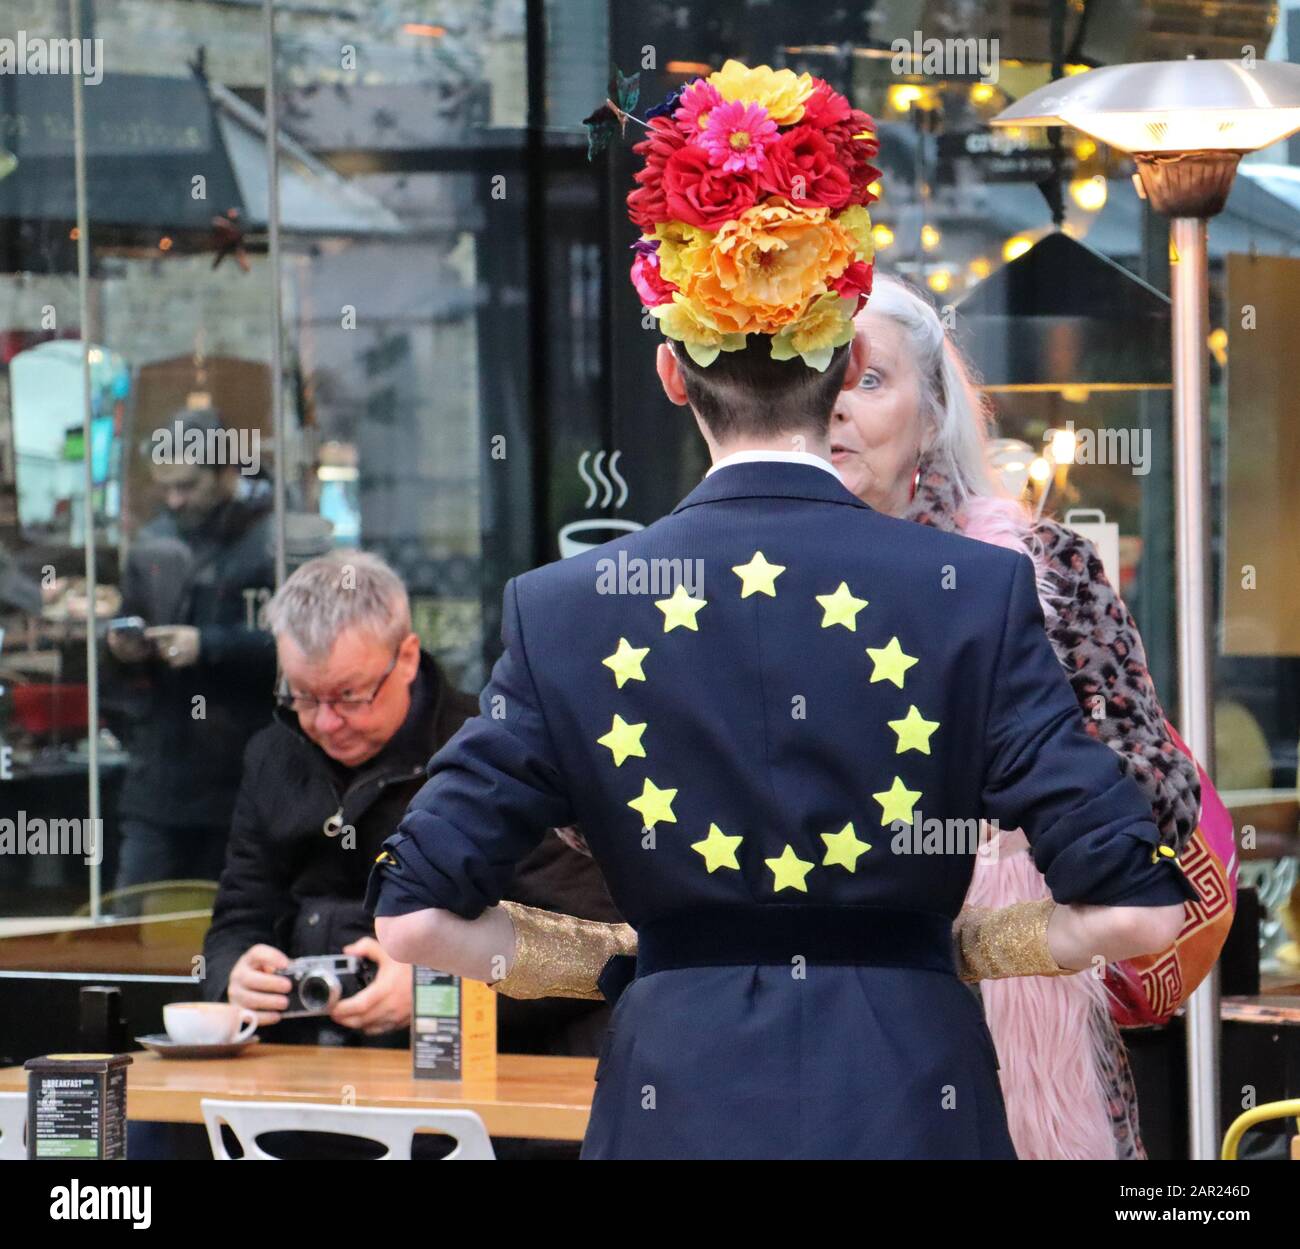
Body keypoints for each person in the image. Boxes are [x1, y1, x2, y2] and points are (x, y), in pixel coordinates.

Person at [366, 61, 1197, 1159]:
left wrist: (620, 959)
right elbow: (1141, 911)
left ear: (672, 376)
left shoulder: (562, 609)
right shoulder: (977, 594)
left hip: (679, 1101)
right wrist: (965, 947)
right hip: (912, 1100)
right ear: (846, 358)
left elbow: (415, 916)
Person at [830, 275, 1202, 1158]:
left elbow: (1164, 788)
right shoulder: (750, 581)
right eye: (823, 381)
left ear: (932, 416)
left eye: (871, 380)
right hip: (830, 1033)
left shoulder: (1037, 566)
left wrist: (1004, 808)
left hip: (1026, 1015)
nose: (839, 408)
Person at [202, 549, 620, 1058]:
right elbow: (239, 913)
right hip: (301, 1065)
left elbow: (588, 942)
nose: (326, 722)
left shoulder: (497, 757)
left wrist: (438, 993)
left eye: (350, 696)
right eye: (303, 697)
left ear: (406, 657)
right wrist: (236, 975)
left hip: (484, 1064)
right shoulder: (272, 754)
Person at [107, 407, 275, 895]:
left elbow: (297, 647)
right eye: (167, 487)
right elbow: (127, 620)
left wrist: (207, 646)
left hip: (238, 770)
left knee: (229, 922)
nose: (175, 500)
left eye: (188, 486)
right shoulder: (156, 540)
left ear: (226, 472)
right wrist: (122, 648)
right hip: (159, 770)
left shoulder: (268, 539)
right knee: (132, 924)